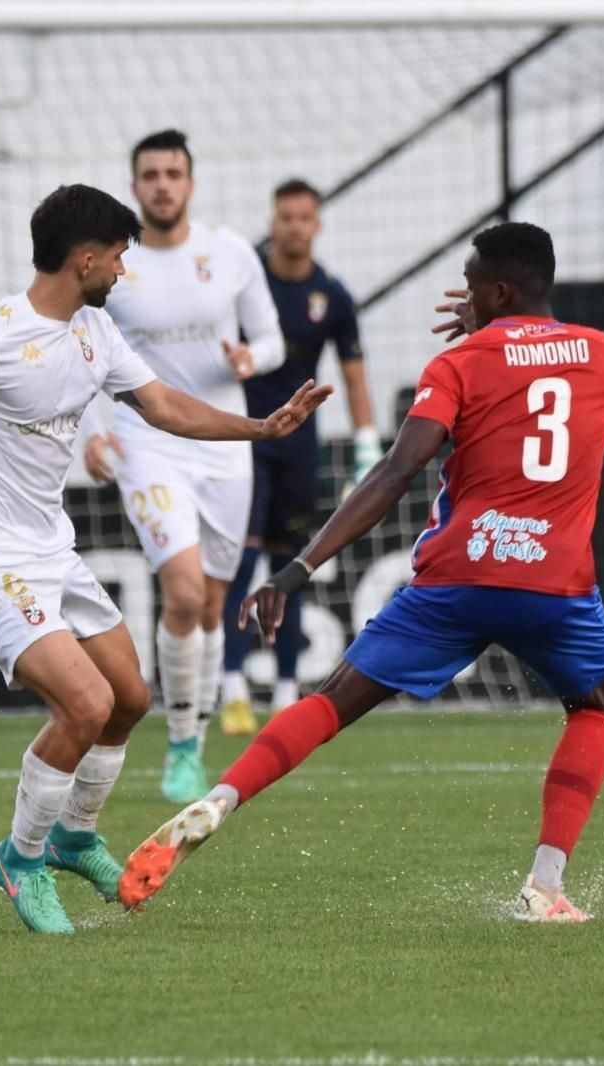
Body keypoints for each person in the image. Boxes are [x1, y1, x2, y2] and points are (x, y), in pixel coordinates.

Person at [119, 222, 604, 924]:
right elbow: (543, 355)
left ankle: (222, 798)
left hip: (457, 583)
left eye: (473, 281)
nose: (465, 293)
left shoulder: (458, 365)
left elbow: (396, 472)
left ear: (499, 288)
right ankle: (545, 886)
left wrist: (298, 569)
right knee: (596, 705)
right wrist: (502, 323)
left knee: (332, 701)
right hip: (555, 587)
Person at [0, 184, 330, 935]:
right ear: (84, 259)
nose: (124, 271)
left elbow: (165, 407)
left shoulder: (95, 331)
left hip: (53, 554)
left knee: (128, 698)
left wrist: (262, 427)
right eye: (119, 257)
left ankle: (73, 836)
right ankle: (19, 861)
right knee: (84, 705)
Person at [83, 129, 285, 802]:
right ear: (135, 184)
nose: (162, 184)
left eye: (173, 173)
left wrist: (252, 362)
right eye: (150, 174)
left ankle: (192, 741)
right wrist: (90, 431)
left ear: (190, 184)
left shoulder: (228, 254)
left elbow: (272, 338)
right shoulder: (114, 262)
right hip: (149, 443)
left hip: (226, 444)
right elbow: (82, 344)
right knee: (186, 592)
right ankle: (178, 743)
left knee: (214, 607)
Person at [218, 178, 380, 736]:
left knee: (291, 565)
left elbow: (354, 375)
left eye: (303, 217)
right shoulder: (245, 282)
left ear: (317, 223)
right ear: (273, 218)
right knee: (241, 560)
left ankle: (287, 692)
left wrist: (366, 446)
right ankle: (233, 685)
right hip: (244, 440)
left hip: (299, 447)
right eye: (285, 216)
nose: (293, 226)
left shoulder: (331, 296)